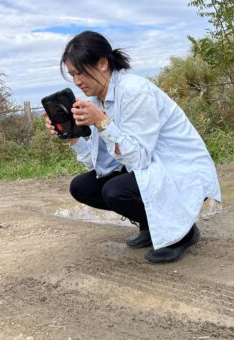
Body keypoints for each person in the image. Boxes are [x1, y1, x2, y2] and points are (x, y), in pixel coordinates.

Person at [44, 31, 221, 263]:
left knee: (115, 191)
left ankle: (183, 233)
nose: (77, 81)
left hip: (178, 167)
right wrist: (73, 139)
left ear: (103, 63)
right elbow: (102, 164)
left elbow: (139, 159)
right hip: (149, 165)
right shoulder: (99, 101)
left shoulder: (134, 90)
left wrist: (101, 122)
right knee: (82, 187)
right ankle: (150, 224)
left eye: (80, 72)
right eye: (72, 74)